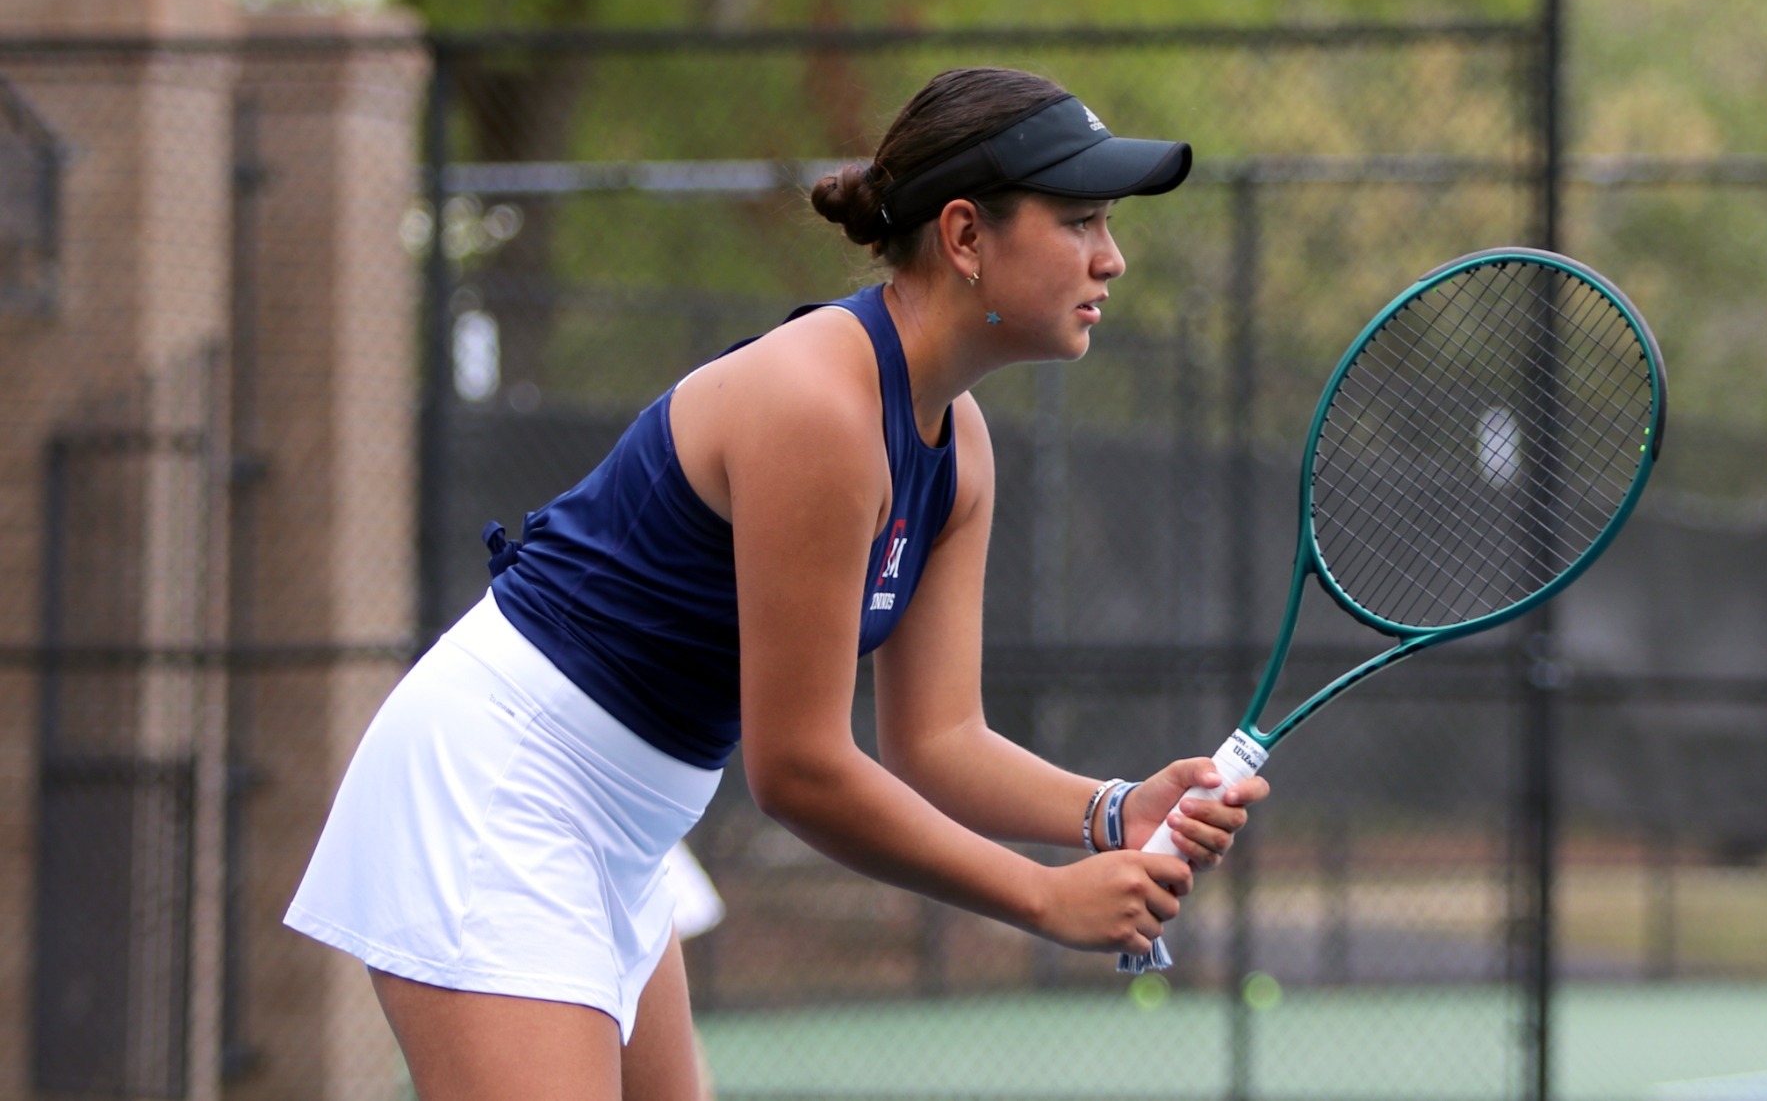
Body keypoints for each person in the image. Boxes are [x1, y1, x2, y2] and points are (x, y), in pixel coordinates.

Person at [284, 66, 1270, 1101]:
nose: (1110, 259)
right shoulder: (818, 407)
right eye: (1077, 222)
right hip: (500, 787)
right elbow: (795, 770)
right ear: (966, 237)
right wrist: (1043, 898)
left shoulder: (957, 446)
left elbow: (936, 742)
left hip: (625, 822)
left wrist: (1111, 810)